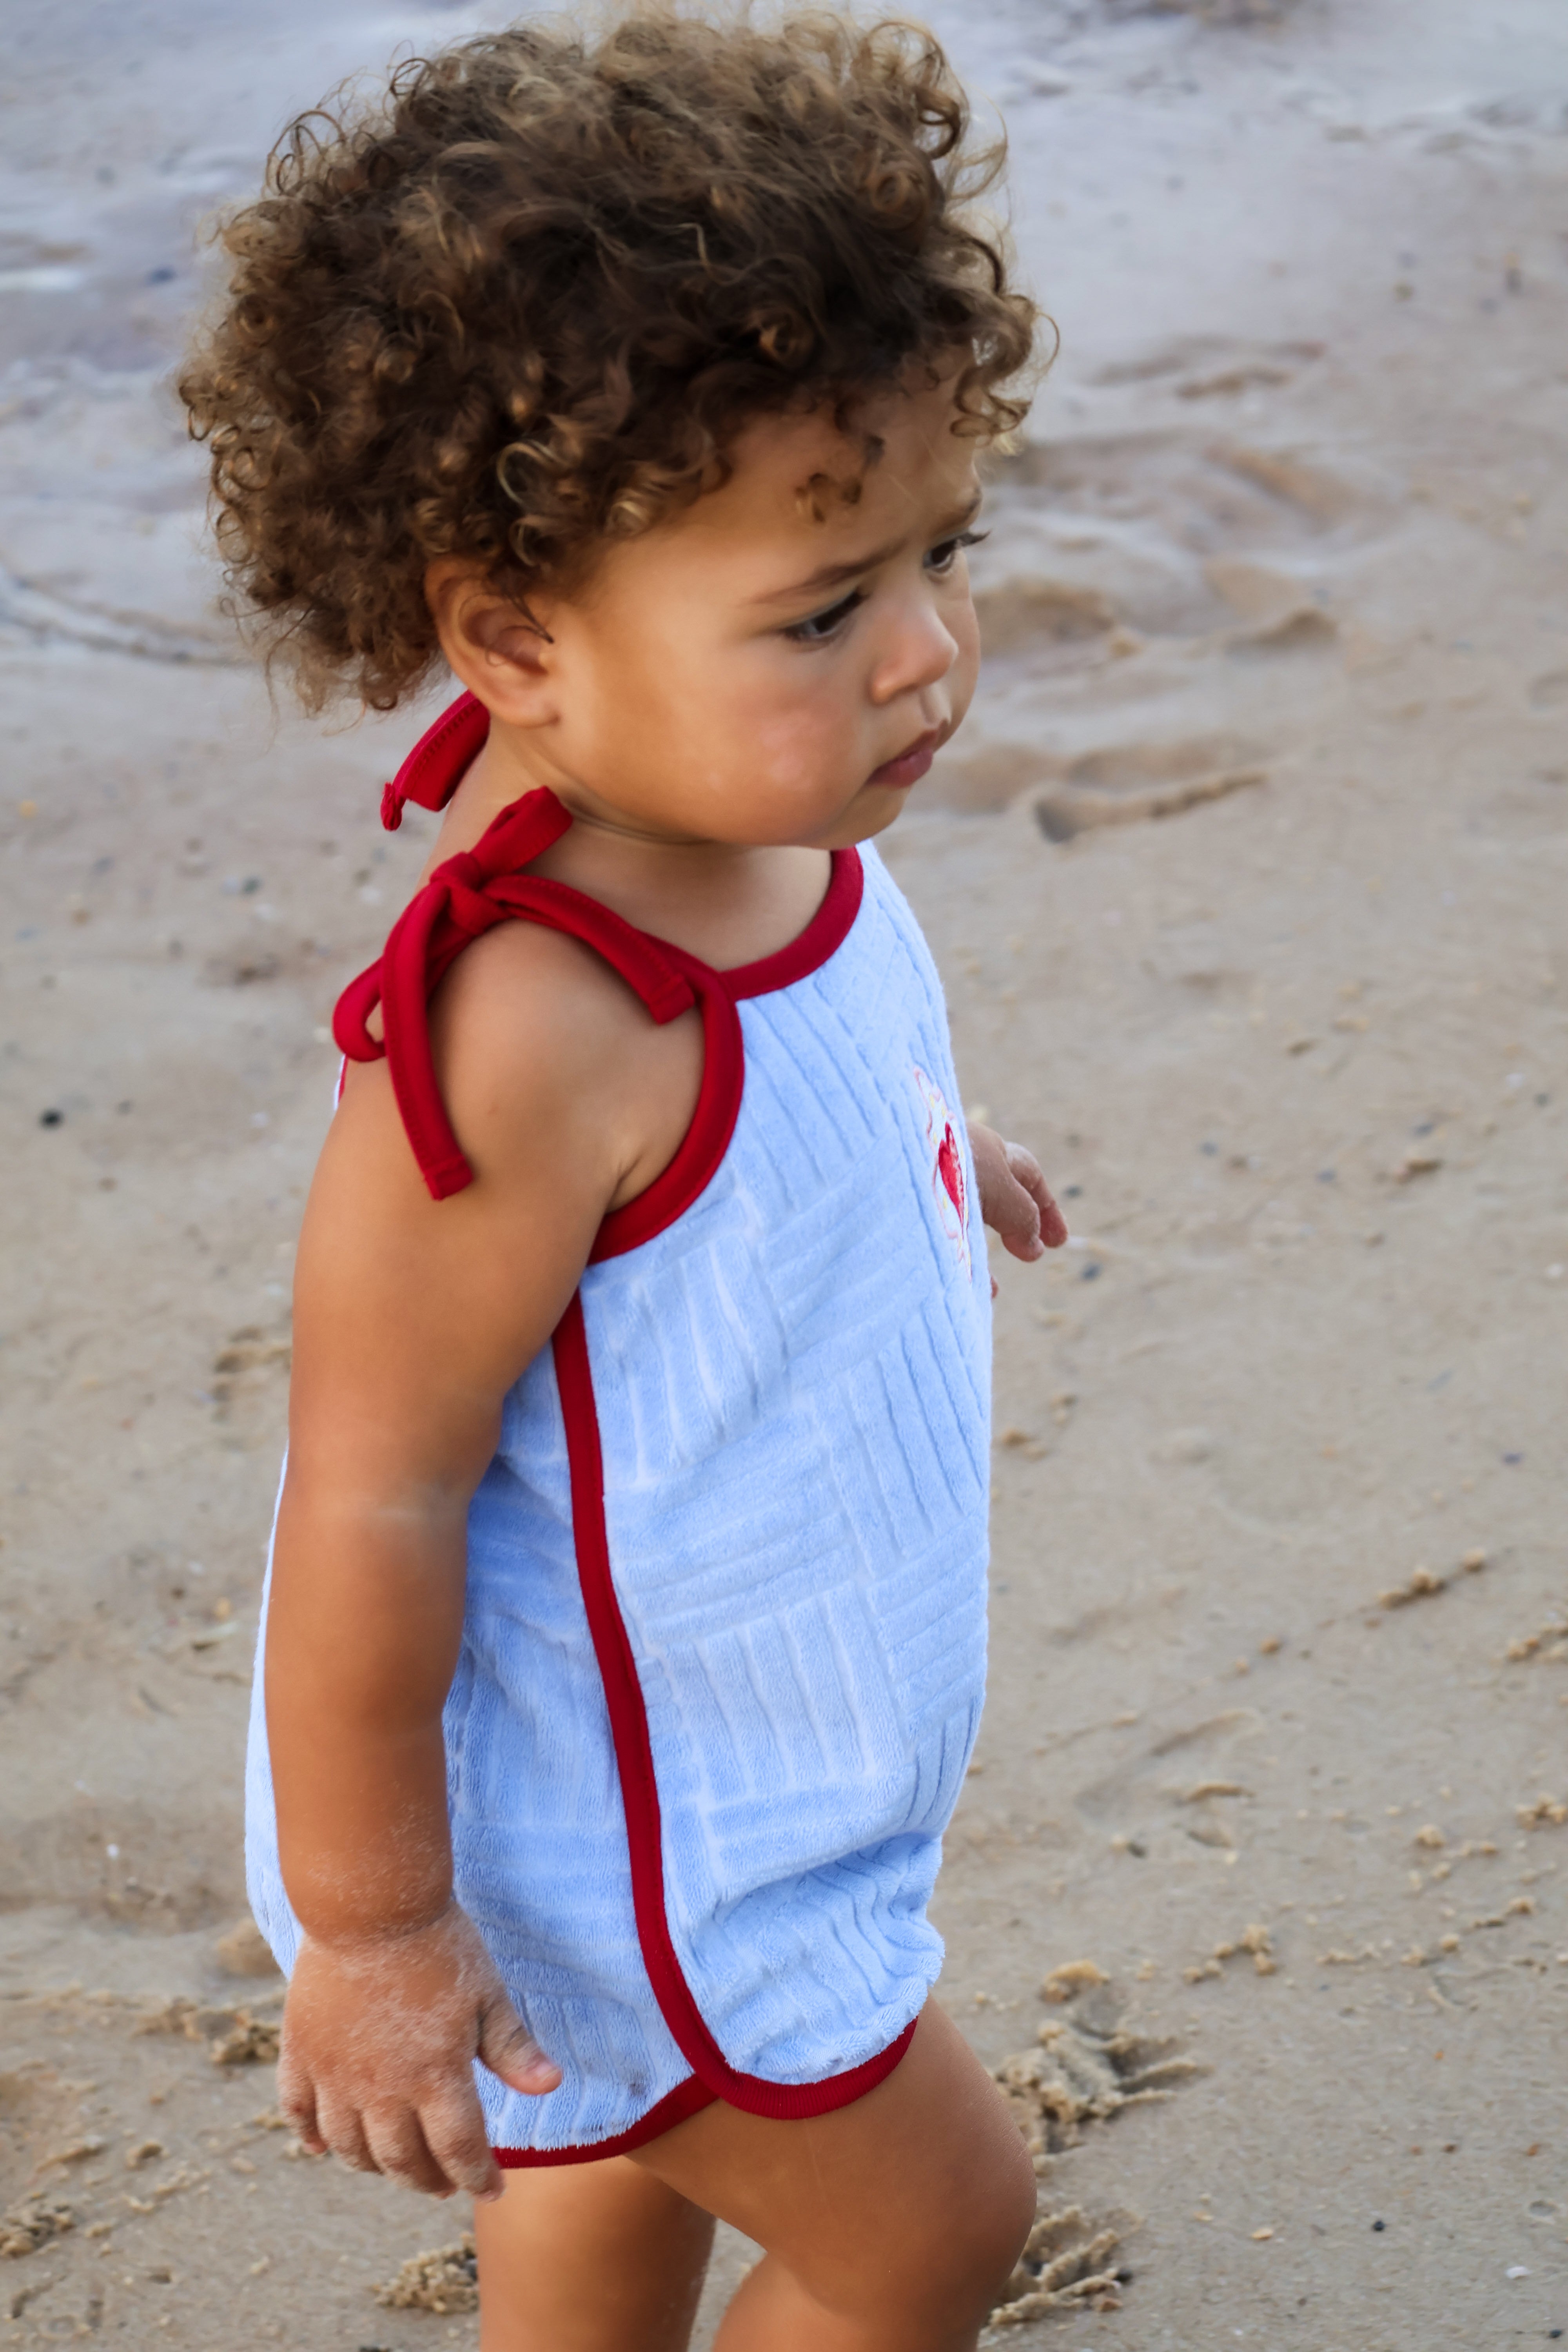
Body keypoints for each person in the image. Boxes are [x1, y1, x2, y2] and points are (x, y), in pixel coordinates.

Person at [181, 11, 1068, 2347]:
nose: (926, 655)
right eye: (822, 609)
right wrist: (381, 1933)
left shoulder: (768, 827)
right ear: (515, 639)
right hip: (634, 1833)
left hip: (721, 1720)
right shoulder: (527, 1027)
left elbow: (775, 1102)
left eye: (941, 553)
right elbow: (369, 1487)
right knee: (934, 2228)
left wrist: (924, 1153)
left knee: (597, 2186)